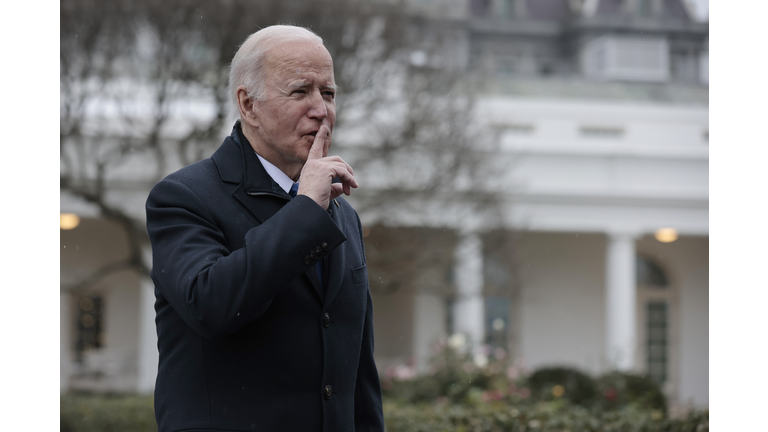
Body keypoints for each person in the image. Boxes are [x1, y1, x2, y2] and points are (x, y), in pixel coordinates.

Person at [145, 25, 384, 432]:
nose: (320, 109)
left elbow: (357, 375)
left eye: (328, 93)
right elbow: (213, 307)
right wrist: (306, 207)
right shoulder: (183, 196)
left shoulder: (342, 213)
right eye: (299, 91)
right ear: (248, 104)